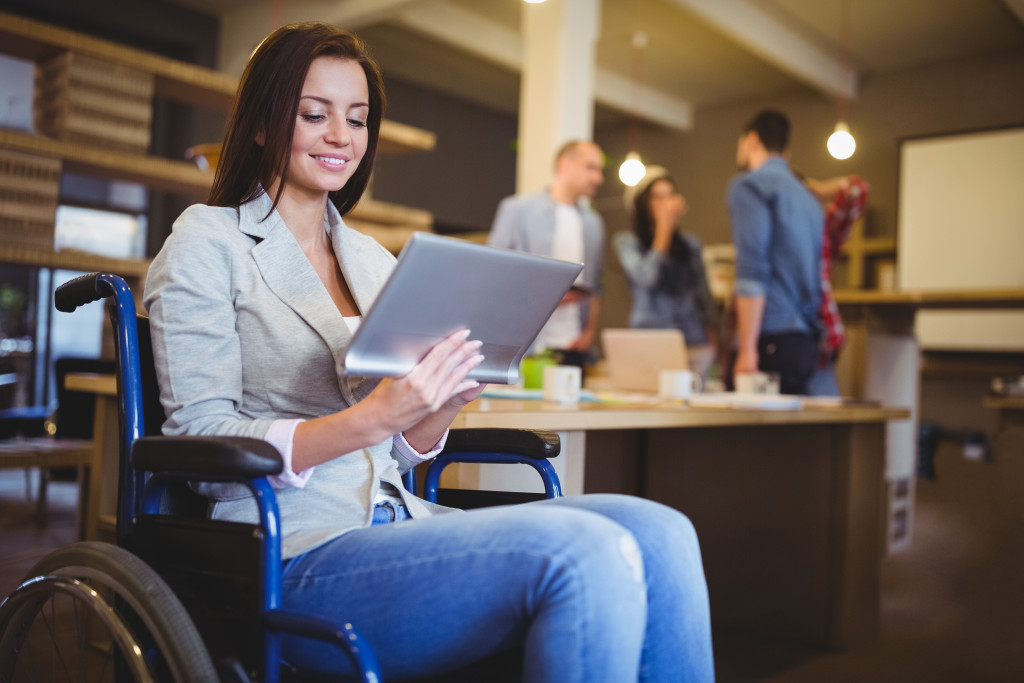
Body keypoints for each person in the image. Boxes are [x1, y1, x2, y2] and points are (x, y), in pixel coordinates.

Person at [143, 22, 713, 682]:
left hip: (398, 522)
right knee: (584, 549)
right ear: (265, 125)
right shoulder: (208, 241)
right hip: (292, 547)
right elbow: (203, 443)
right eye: (314, 114)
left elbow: (402, 449)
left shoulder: (373, 259)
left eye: (356, 119)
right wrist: (373, 417)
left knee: (665, 533)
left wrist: (441, 401)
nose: (341, 136)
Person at [727, 109, 824, 395]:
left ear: (752, 140)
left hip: (768, 338)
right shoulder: (809, 199)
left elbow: (752, 270)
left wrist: (746, 349)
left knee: (747, 439)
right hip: (803, 339)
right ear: (787, 151)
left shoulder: (749, 185)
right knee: (790, 439)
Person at [488, 140, 606, 368]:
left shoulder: (594, 224)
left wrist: (589, 332)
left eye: (600, 170)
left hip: (573, 348)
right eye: (590, 167)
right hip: (525, 348)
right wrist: (543, 296)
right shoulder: (516, 210)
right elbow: (495, 275)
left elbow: (597, 286)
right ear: (564, 165)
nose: (598, 178)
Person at [615, 166, 718, 379]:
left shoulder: (691, 245)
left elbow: (703, 296)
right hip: (648, 344)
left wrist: (714, 341)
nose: (666, 203)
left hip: (692, 342)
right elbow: (647, 277)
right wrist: (664, 230)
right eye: (657, 198)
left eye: (671, 195)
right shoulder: (628, 243)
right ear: (642, 205)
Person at [804, 175, 871, 396]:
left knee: (824, 422)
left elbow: (857, 190)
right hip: (780, 345)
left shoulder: (819, 230)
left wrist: (821, 188)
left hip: (818, 345)